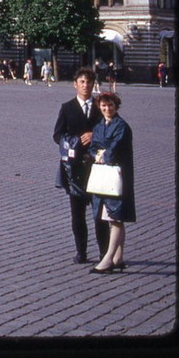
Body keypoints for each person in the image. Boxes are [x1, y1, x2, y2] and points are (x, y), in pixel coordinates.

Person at [53, 67, 110, 265]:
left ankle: (104, 253)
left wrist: (95, 135)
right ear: (75, 85)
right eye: (82, 82)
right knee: (77, 214)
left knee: (99, 214)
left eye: (89, 82)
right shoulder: (67, 107)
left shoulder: (100, 106)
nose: (86, 86)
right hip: (75, 169)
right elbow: (57, 134)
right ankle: (81, 251)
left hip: (96, 167)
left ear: (94, 85)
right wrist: (73, 141)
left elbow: (109, 129)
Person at [88, 91, 135, 273]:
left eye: (110, 106)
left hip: (117, 175)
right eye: (104, 106)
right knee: (113, 216)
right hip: (104, 175)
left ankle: (108, 259)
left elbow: (115, 149)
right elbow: (93, 147)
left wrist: (102, 155)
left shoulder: (121, 126)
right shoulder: (100, 125)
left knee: (115, 216)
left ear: (116, 107)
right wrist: (97, 154)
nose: (107, 109)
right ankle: (118, 257)